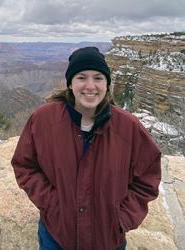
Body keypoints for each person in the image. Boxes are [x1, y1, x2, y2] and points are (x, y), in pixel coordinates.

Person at [11, 47, 161, 250]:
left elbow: (147, 178)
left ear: (107, 84)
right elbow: (25, 165)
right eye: (81, 77)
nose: (90, 86)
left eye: (98, 78)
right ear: (70, 83)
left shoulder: (128, 127)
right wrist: (53, 205)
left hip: (108, 240)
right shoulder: (44, 119)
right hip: (56, 236)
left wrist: (121, 218)